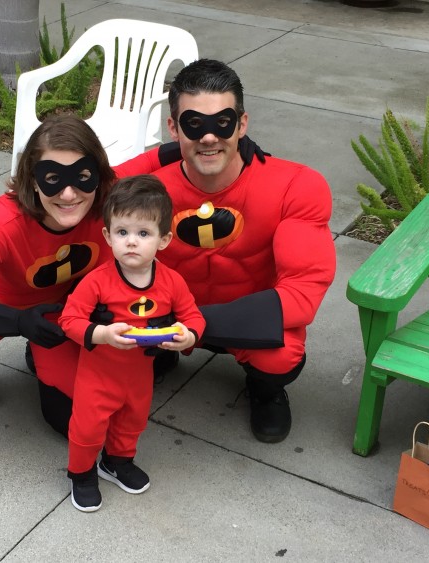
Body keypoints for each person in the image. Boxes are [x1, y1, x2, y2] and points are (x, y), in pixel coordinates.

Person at [0, 115, 169, 430]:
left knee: (82, 420)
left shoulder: (106, 198)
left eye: (82, 176)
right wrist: (18, 322)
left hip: (59, 314)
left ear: (98, 174)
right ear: (33, 180)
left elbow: (152, 160)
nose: (68, 194)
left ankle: (39, 353)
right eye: (52, 178)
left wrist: (239, 149)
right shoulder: (0, 225)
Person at [151, 58, 336, 443]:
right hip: (165, 312)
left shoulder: (295, 186)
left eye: (223, 123)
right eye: (193, 124)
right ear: (173, 127)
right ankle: (157, 354)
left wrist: (194, 323)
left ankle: (265, 389)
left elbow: (302, 295)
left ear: (243, 123)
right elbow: (86, 185)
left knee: (281, 353)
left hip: (242, 319)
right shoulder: (148, 186)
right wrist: (162, 155)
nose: (208, 137)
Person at [59, 176, 205, 512]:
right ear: (108, 236)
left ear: (164, 239)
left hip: (139, 375)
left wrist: (188, 335)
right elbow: (69, 320)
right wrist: (103, 334)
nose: (132, 243)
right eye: (123, 233)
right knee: (88, 427)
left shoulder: (171, 282)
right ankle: (81, 473)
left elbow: (194, 317)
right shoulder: (97, 281)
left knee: (132, 421)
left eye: (144, 233)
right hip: (98, 375)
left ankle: (116, 461)